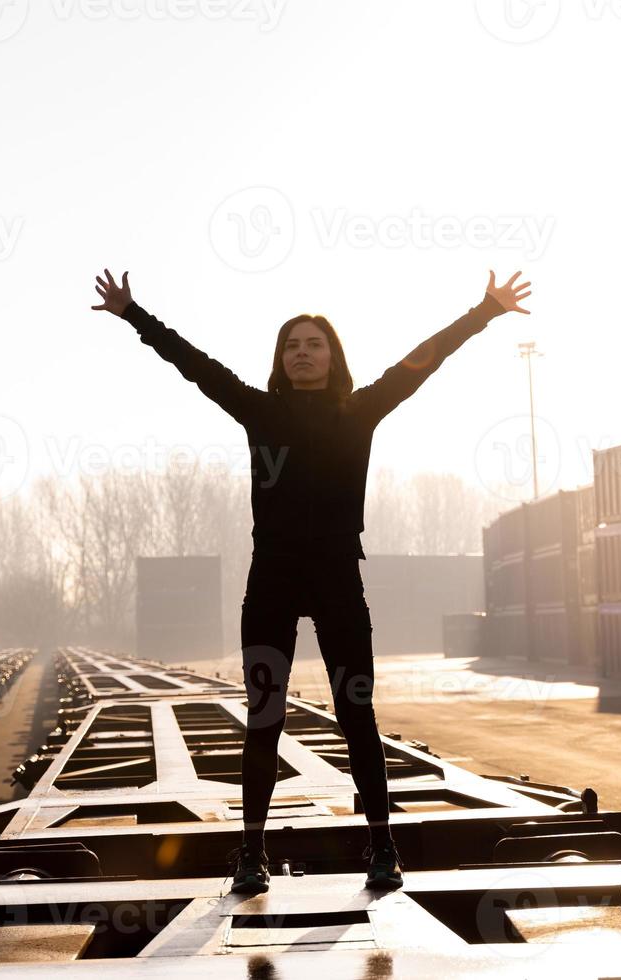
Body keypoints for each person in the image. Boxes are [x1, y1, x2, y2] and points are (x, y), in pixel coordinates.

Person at [90, 268, 532, 893]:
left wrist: (484, 310)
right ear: (281, 361)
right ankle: (251, 855)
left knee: (358, 714)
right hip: (270, 579)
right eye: (291, 346)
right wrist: (135, 315)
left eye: (313, 344)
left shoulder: (359, 412)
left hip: (336, 580)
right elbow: (193, 363)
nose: (302, 352)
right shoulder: (258, 411)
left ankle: (382, 847)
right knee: (264, 715)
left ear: (332, 357)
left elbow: (423, 360)